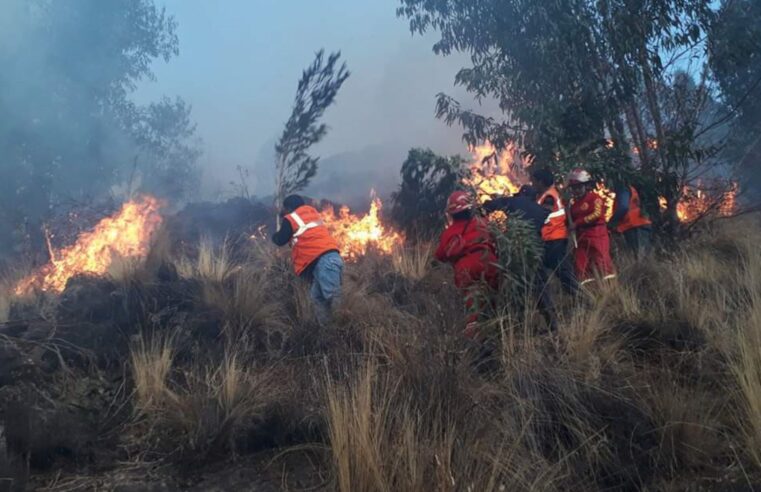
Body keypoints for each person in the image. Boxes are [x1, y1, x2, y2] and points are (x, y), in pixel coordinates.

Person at [483, 189, 559, 331]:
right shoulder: (541, 210)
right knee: (541, 288)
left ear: (521, 195)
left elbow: (491, 205)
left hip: (516, 252)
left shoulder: (513, 202)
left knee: (518, 289)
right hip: (535, 253)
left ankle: (520, 327)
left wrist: (484, 206)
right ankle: (552, 323)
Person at [435, 191, 499, 338]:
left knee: (473, 310)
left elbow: (440, 256)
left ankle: (476, 346)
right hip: (490, 262)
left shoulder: (449, 232)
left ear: (451, 213)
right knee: (494, 299)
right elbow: (497, 239)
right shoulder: (483, 222)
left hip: (466, 269)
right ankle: (497, 329)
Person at [272, 195, 344, 324]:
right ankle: (328, 331)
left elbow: (280, 239)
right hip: (328, 259)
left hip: (324, 261)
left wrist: (275, 235)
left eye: (285, 208)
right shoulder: (312, 213)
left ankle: (343, 333)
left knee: (334, 299)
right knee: (317, 297)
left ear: (289, 208)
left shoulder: (291, 218)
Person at [531, 169, 579, 294]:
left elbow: (542, 214)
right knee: (555, 272)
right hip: (551, 239)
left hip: (554, 240)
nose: (533, 184)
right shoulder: (548, 193)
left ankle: (582, 298)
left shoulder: (548, 196)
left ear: (541, 182)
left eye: (534, 181)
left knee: (563, 273)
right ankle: (577, 297)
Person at [566, 169, 616, 286]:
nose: (576, 190)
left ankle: (610, 292)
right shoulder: (572, 205)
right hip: (581, 237)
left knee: (602, 262)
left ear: (586, 186)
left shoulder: (595, 198)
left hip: (597, 235)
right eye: (573, 188)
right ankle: (588, 293)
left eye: (578, 187)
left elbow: (597, 214)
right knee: (581, 264)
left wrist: (578, 223)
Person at [609, 183, 652, 259]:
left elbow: (623, 208)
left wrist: (611, 222)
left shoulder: (623, 190)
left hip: (635, 226)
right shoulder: (629, 189)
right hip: (638, 225)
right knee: (641, 256)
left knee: (638, 256)